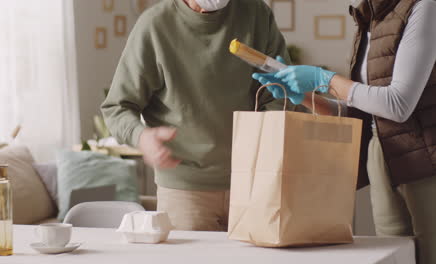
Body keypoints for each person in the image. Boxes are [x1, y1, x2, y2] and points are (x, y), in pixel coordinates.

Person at [252, 0, 436, 263]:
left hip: (425, 161)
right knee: (394, 255)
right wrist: (303, 97)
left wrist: (324, 79)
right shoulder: (369, 16)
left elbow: (398, 105)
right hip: (382, 156)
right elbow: (363, 111)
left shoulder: (425, 7)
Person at [101, 0, 293, 231]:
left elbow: (281, 92)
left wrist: (259, 147)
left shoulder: (256, 14)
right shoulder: (155, 25)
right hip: (185, 190)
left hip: (252, 182)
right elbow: (117, 107)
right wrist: (141, 137)